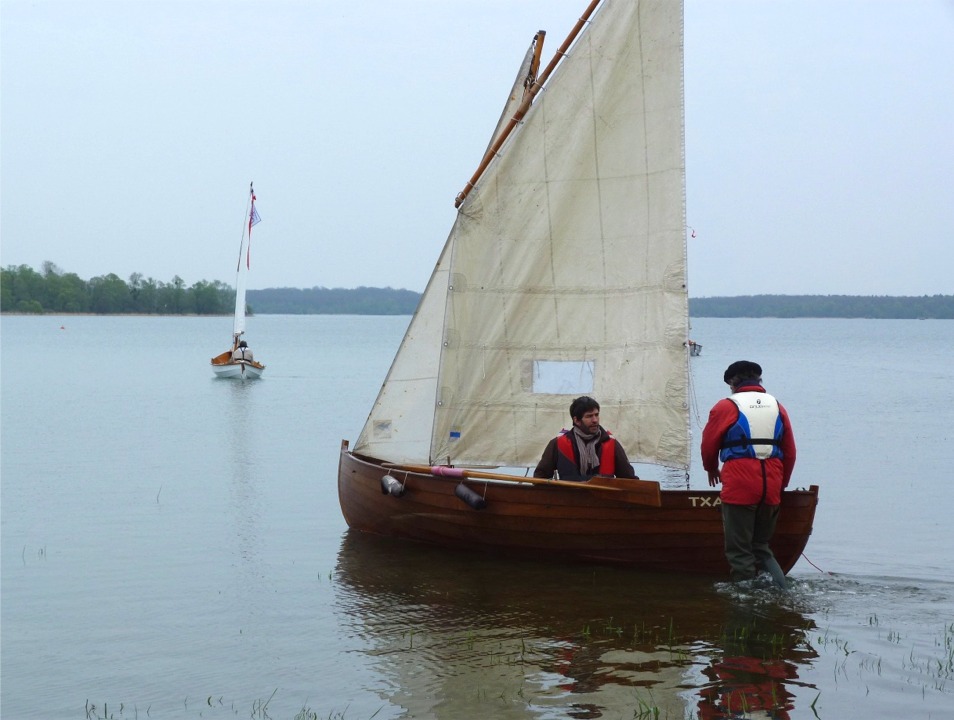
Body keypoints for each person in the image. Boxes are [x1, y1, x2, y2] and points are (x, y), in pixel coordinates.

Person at [701, 361, 797, 588]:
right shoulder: (777, 406)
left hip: (740, 484)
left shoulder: (726, 406)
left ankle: (746, 603)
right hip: (771, 483)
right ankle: (782, 592)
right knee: (761, 547)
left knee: (739, 551)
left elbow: (708, 445)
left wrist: (711, 468)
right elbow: (790, 452)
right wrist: (781, 485)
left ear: (734, 383)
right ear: (758, 380)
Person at [533, 396, 638, 480]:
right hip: (569, 503)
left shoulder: (612, 444)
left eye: (596, 415)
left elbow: (629, 480)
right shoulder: (557, 444)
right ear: (577, 420)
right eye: (589, 416)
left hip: (603, 504)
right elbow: (540, 478)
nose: (595, 420)